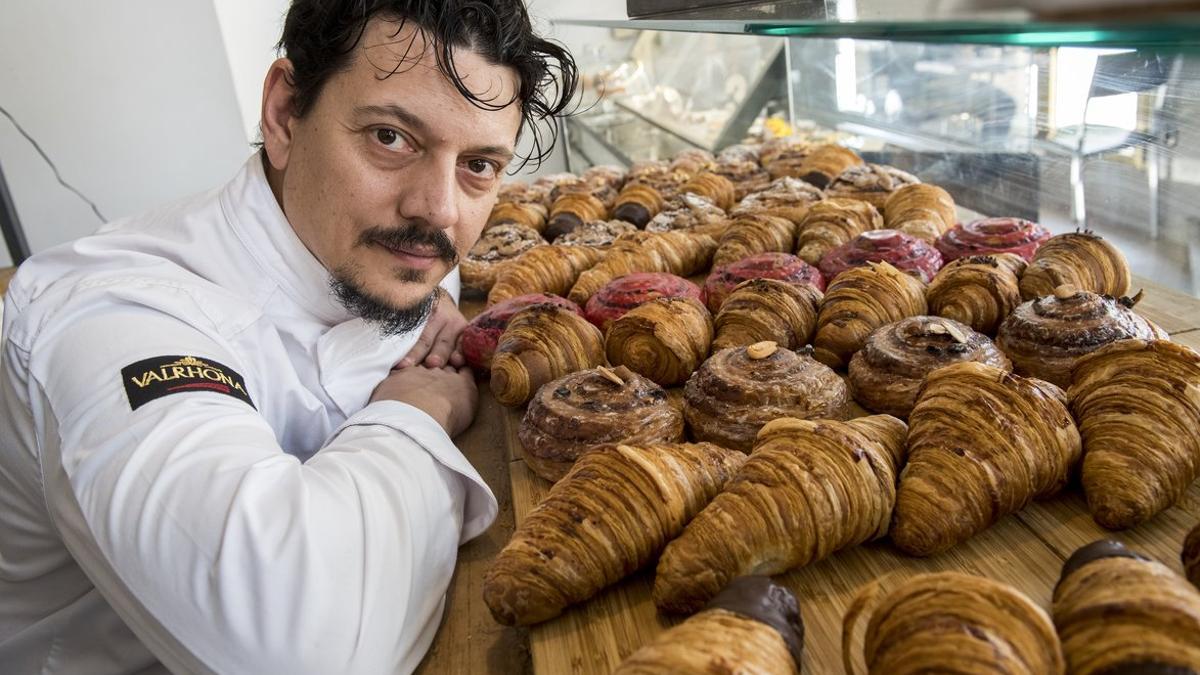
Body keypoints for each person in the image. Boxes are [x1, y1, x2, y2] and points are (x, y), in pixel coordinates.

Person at [0, 1, 576, 673]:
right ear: (283, 115)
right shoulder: (115, 317)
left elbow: (428, 254)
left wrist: (431, 300)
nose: (438, 209)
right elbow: (299, 644)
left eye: (478, 164)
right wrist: (419, 410)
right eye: (391, 138)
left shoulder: (363, 240)